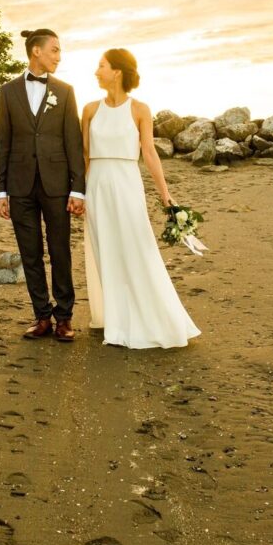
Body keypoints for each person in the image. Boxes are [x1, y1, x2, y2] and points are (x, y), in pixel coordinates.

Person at [82, 48, 201, 349]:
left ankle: (152, 318)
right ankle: (116, 319)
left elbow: (149, 153)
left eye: (101, 66)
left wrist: (165, 195)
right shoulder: (90, 110)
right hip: (96, 184)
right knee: (105, 250)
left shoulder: (140, 109)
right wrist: (79, 194)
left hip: (126, 183)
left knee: (137, 247)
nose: (96, 71)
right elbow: (83, 154)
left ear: (118, 71)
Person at [0, 29, 86, 341]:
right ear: (36, 51)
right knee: (30, 253)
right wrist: (1, 190)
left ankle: (64, 318)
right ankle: (41, 316)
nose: (59, 57)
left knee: (60, 251)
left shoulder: (66, 90)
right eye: (55, 50)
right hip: (20, 187)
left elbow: (73, 142)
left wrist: (77, 188)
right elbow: (2, 143)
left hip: (57, 184)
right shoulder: (7, 92)